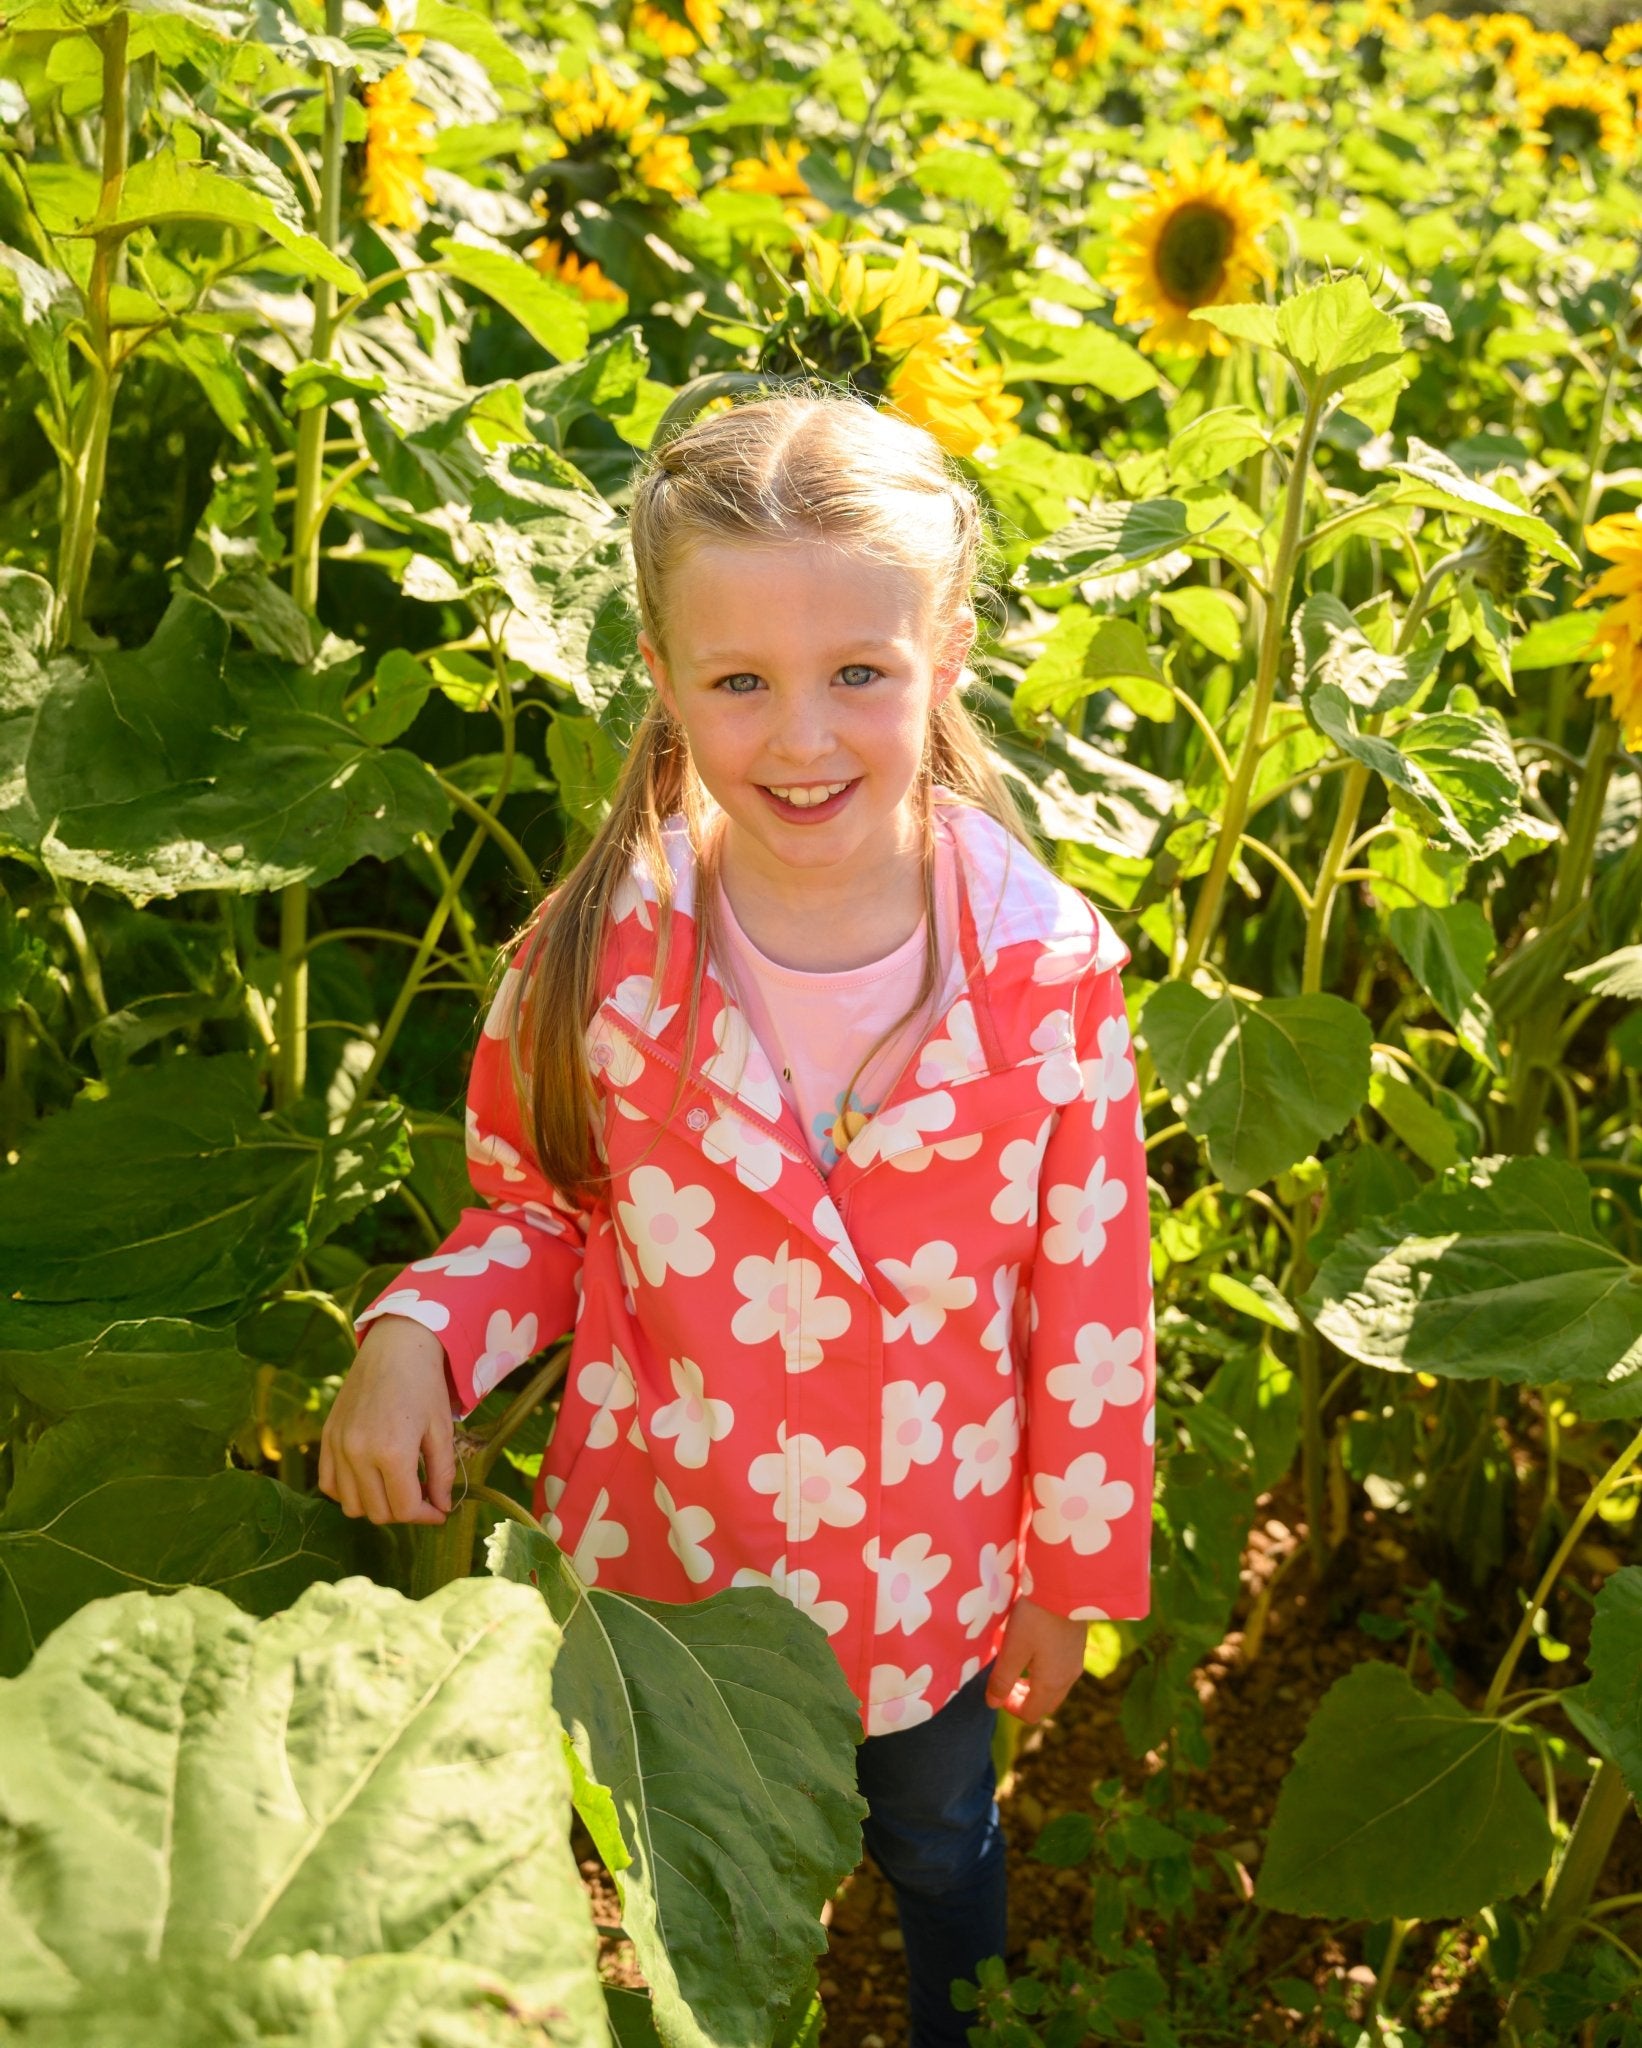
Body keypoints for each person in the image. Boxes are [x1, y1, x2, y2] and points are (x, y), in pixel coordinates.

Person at [320, 387, 1157, 2046]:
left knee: (934, 1840)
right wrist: (416, 1335)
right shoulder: (595, 959)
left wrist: (1068, 1578)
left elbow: (1091, 1308)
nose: (800, 739)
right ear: (660, 674)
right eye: (739, 683)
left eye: (859, 672)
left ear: (951, 649)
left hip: (924, 1572)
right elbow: (542, 1217)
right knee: (666, 1876)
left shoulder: (1042, 976)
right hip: (671, 1565)